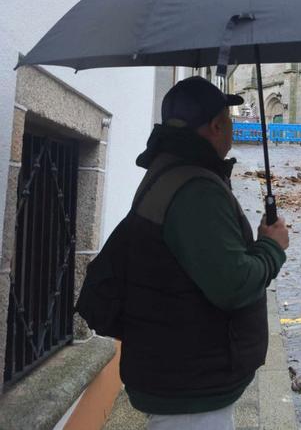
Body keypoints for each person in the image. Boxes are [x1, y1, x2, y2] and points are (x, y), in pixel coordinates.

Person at [121, 76, 289, 429]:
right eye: (229, 121)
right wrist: (272, 247)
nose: (231, 128)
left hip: (180, 368)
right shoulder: (196, 189)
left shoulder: (170, 168)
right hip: (190, 385)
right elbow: (234, 284)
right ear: (216, 126)